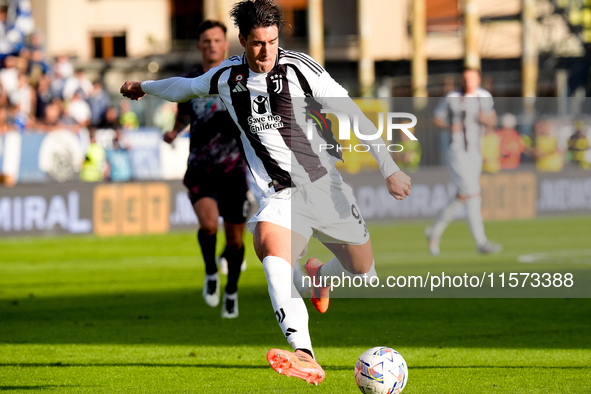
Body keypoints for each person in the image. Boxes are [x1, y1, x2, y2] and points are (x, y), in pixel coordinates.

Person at [120, 0, 411, 385]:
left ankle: (320, 274)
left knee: (364, 269)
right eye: (258, 43)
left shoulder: (301, 69)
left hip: (325, 185)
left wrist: (388, 168)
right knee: (271, 252)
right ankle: (304, 353)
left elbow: (352, 113)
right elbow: (184, 89)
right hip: (279, 195)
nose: (266, 52)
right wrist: (144, 87)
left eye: (272, 41)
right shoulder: (227, 76)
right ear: (242, 40)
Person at [162, 20, 250, 319]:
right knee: (209, 224)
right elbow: (184, 115)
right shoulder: (190, 81)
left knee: (236, 240)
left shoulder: (239, 79)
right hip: (200, 167)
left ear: (225, 45)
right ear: (200, 46)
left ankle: (232, 290)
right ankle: (211, 271)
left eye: (216, 40)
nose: (212, 45)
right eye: (206, 40)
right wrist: (174, 132)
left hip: (234, 170)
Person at [426, 67, 501, 256]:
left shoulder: (484, 96)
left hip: (475, 152)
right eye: (466, 78)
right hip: (456, 151)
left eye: (472, 78)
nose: (468, 82)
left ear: (478, 80)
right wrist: (450, 127)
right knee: (474, 193)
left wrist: (487, 121)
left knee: (462, 197)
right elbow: (436, 118)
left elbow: (492, 120)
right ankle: (481, 242)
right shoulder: (452, 97)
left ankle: (434, 232)